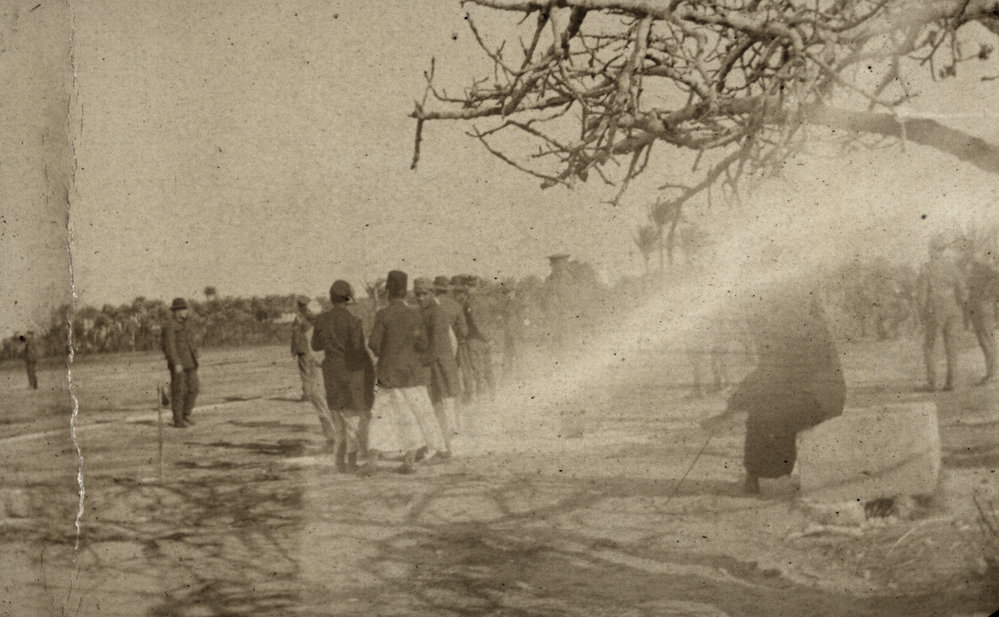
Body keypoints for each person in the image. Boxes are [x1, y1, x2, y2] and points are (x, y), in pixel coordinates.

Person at [702, 278, 845, 494]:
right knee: (764, 410)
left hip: (821, 397)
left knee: (771, 414)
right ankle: (759, 474)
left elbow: (780, 373)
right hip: (805, 393)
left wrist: (734, 407)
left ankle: (772, 477)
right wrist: (735, 405)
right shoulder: (792, 325)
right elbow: (768, 371)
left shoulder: (807, 328)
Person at [362, 270, 445, 475]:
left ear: (388, 291)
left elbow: (374, 344)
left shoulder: (383, 314)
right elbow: (424, 343)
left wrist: (387, 352)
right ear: (406, 291)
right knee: (413, 416)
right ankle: (410, 459)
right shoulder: (416, 314)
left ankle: (372, 459)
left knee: (379, 414)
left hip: (387, 374)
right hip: (412, 374)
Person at [311, 281, 374, 472]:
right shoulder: (354, 321)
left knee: (337, 418)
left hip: (331, 372)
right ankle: (352, 460)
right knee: (352, 419)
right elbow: (357, 350)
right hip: (351, 372)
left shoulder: (321, 320)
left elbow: (315, 346)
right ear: (349, 298)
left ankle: (339, 460)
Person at [414, 277, 460, 456]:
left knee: (437, 405)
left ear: (432, 293)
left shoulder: (436, 312)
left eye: (424, 294)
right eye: (418, 295)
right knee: (433, 406)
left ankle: (444, 447)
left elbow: (438, 344)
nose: (420, 298)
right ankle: (438, 446)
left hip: (438, 365)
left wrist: (422, 361)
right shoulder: (423, 311)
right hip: (433, 363)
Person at [916, 234, 967, 391]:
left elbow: (922, 296)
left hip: (935, 311)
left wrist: (921, 314)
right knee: (952, 348)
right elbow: (964, 293)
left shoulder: (926, 268)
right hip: (954, 310)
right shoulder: (953, 267)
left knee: (930, 347)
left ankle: (932, 384)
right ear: (943, 250)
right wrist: (956, 305)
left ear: (931, 250)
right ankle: (951, 383)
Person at [161, 298, 199, 428]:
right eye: (183, 309)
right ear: (176, 311)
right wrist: (176, 362)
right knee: (179, 391)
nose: (186, 311)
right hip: (179, 365)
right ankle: (177, 420)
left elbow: (190, 343)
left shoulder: (186, 324)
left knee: (194, 388)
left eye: (186, 309)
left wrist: (195, 356)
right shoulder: (170, 326)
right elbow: (169, 346)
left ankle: (185, 414)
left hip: (190, 362)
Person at [966, 257, 999, 385]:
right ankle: (990, 372)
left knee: (987, 341)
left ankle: (992, 374)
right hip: (977, 310)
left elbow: (997, 278)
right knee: (984, 342)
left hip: (984, 309)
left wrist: (988, 293)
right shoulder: (976, 270)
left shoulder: (987, 270)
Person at [462, 276, 496, 401]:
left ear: (467, 286)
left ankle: (481, 397)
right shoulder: (486, 299)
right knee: (488, 367)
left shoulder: (470, 301)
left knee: (478, 370)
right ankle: (493, 394)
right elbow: (491, 319)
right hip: (486, 339)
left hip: (476, 339)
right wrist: (490, 337)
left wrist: (485, 337)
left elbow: (476, 322)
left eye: (465, 286)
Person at [290, 296, 316, 402]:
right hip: (314, 348)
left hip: (303, 348)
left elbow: (296, 335)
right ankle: (313, 394)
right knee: (313, 372)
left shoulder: (299, 318)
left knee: (305, 372)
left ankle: (307, 395)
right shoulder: (313, 316)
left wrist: (294, 350)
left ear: (299, 305)